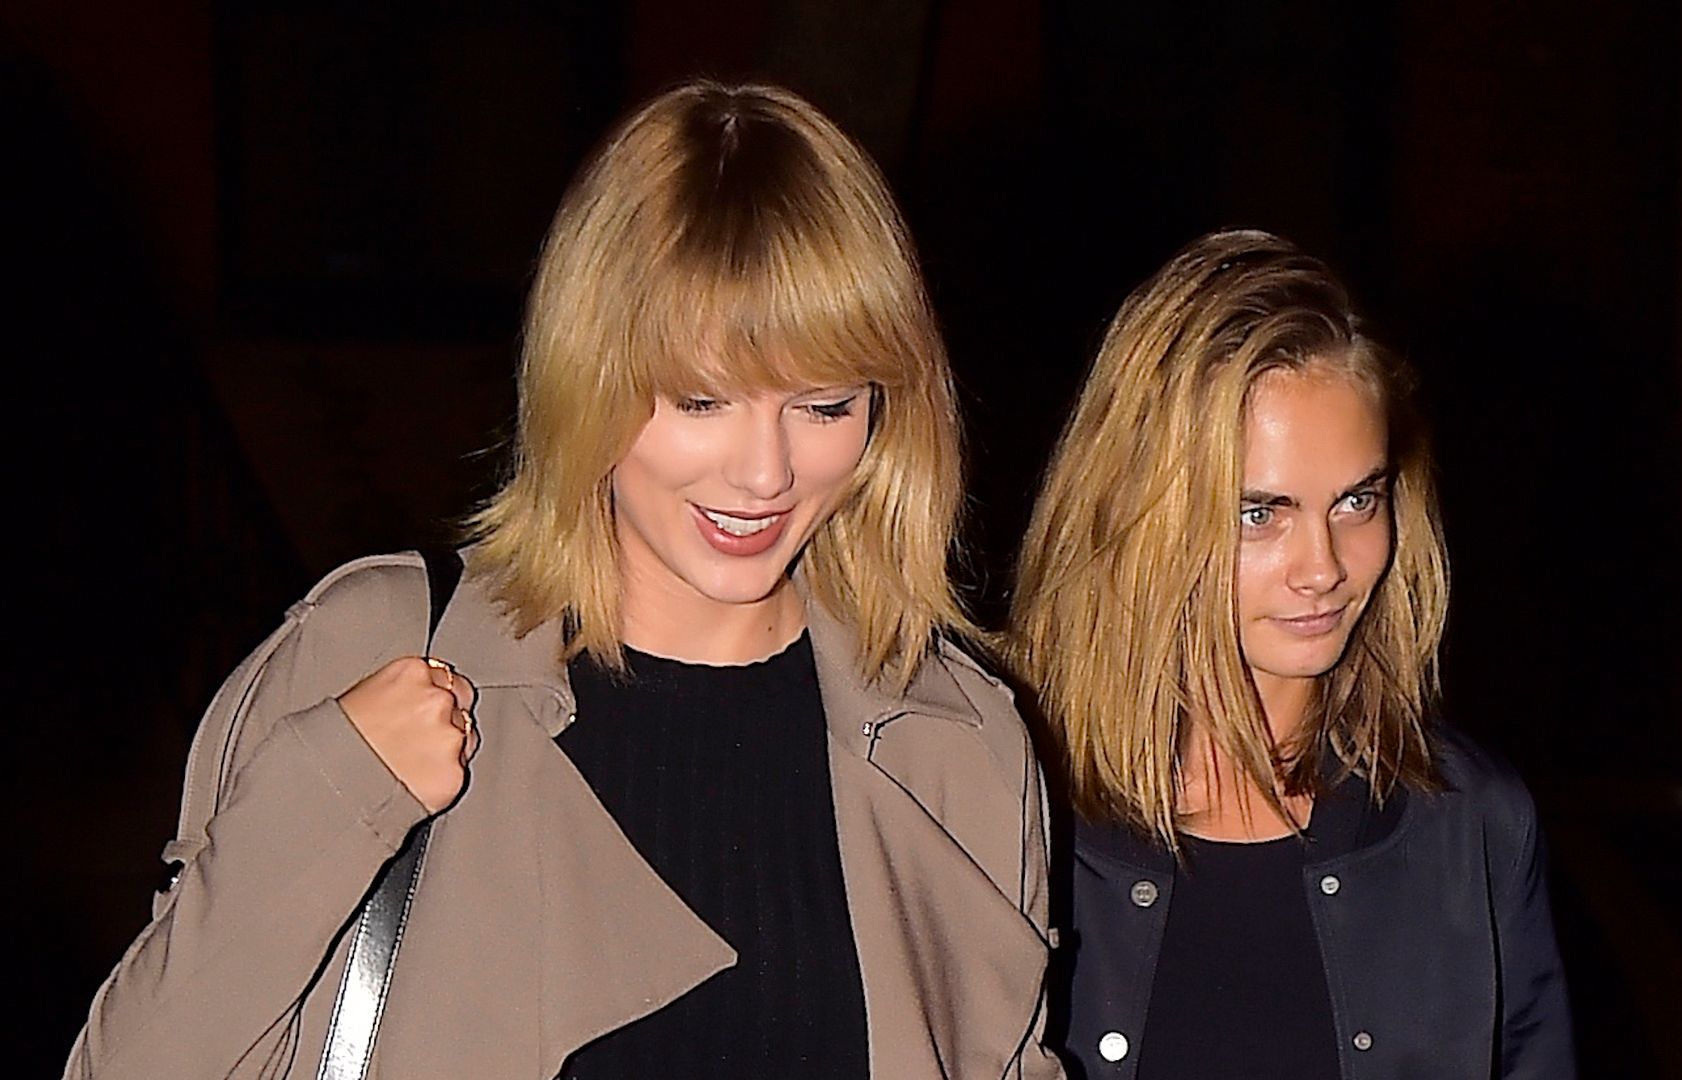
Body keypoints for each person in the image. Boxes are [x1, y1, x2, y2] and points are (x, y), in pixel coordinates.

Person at [67, 81, 1057, 1080]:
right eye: (701, 400)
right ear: (590, 375)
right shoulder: (383, 651)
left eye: (824, 405)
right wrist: (334, 791)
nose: (766, 473)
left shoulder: (956, 742)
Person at [1005, 229, 1574, 1079]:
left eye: (1356, 500)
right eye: (1258, 513)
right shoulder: (1005, 803)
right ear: (1136, 512)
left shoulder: (1468, 823)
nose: (1325, 568)